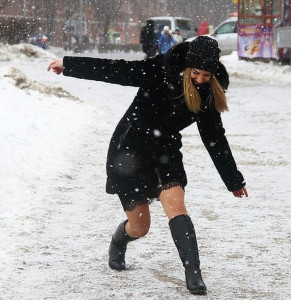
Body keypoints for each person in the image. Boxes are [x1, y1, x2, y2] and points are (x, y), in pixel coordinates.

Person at [47, 36, 248, 295]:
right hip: (130, 149)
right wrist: (70, 65)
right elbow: (116, 70)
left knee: (176, 205)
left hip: (166, 150)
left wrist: (233, 180)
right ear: (187, 67)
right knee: (140, 227)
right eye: (195, 73)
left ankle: (193, 273)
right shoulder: (158, 71)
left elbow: (214, 139)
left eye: (206, 75)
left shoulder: (208, 93)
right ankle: (119, 240)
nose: (199, 79)